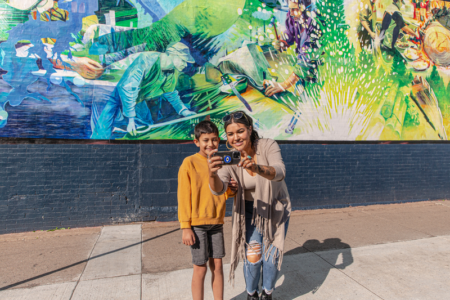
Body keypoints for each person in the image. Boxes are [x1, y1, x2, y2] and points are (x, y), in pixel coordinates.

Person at [208, 111, 291, 300]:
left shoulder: (267, 145)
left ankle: (267, 293)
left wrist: (255, 168)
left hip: (275, 209)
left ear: (250, 129)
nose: (236, 137)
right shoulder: (229, 158)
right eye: (230, 134)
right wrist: (212, 174)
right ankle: (252, 294)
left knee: (271, 258)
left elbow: (279, 171)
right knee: (253, 257)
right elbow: (218, 189)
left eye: (240, 131)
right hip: (248, 211)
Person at [178, 120, 237, 300]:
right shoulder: (189, 163)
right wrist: (185, 227)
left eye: (214, 140)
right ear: (197, 142)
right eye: (205, 140)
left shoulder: (222, 162)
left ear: (218, 140)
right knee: (200, 267)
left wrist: (231, 191)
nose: (210, 144)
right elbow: (183, 196)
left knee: (217, 266)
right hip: (197, 225)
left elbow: (220, 192)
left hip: (216, 223)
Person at [90, 42, 196, 139]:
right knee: (102, 132)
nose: (185, 65)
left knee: (145, 128)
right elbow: (128, 86)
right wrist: (131, 119)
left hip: (135, 97)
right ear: (172, 54)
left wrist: (184, 111)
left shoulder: (171, 71)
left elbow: (170, 92)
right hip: (109, 90)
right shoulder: (147, 59)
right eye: (183, 60)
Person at [266, 0, 323, 97]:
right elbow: (291, 33)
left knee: (312, 102)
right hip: (302, 75)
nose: (291, 13)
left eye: (294, 9)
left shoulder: (314, 23)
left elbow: (305, 61)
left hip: (317, 73)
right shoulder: (295, 16)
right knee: (299, 101)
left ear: (305, 8)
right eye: (290, 9)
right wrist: (283, 42)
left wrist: (283, 85)